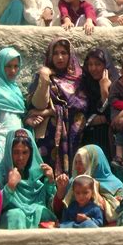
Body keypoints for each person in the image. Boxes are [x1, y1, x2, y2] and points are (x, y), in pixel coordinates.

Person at [26, 38, 87, 176]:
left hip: (72, 138)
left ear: (70, 55)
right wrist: (44, 76)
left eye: (64, 53)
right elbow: (35, 105)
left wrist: (49, 112)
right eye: (56, 53)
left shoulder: (79, 79)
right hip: (47, 138)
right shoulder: (44, 77)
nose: (60, 57)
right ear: (50, 56)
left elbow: (80, 108)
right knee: (44, 175)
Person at [0, 129, 57, 229]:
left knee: (41, 211)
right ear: (8, 152)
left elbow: (51, 205)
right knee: (16, 214)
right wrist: (10, 186)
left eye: (25, 152)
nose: (20, 157)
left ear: (31, 153)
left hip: (33, 221)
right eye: (16, 152)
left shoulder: (34, 176)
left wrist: (50, 182)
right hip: (8, 222)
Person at [54, 145, 123, 225]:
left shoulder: (116, 186)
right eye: (76, 162)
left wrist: (100, 199)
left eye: (81, 163)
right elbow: (58, 212)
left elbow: (118, 214)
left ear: (94, 163)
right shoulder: (74, 182)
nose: (77, 167)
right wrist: (61, 190)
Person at [79, 47, 119, 159]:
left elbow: (112, 115)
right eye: (90, 64)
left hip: (110, 139)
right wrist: (93, 120)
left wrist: (104, 90)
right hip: (89, 138)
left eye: (98, 64)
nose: (93, 68)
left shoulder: (117, 84)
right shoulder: (84, 84)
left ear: (106, 66)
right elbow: (80, 113)